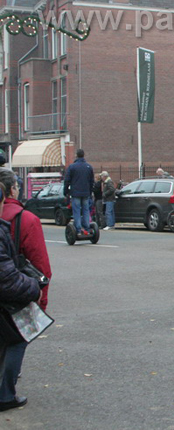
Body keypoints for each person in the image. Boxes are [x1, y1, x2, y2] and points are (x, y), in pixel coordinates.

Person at [0, 169, 52, 411]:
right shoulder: (26, 219)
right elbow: (40, 265)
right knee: (17, 339)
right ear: (11, 190)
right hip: (15, 291)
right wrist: (41, 297)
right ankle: (6, 393)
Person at [63, 149, 94, 236]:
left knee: (76, 211)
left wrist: (65, 192)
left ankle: (78, 229)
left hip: (75, 193)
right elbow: (92, 181)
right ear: (84, 155)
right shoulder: (89, 167)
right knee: (86, 210)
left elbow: (67, 180)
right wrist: (90, 191)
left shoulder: (72, 167)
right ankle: (87, 228)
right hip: (86, 193)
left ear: (76, 155)